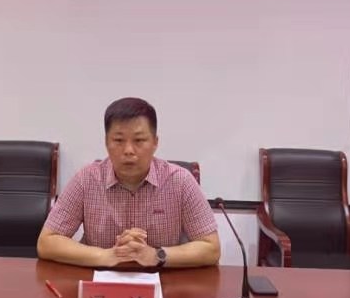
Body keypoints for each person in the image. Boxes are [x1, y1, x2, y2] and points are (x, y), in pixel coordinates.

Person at [37, 97, 220, 268]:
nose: (129, 150)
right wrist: (105, 255)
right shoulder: (86, 180)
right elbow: (47, 242)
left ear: (155, 142)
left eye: (139, 140)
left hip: (163, 282)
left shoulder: (180, 181)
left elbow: (211, 248)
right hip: (100, 282)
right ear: (106, 142)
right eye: (118, 140)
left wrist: (156, 255)